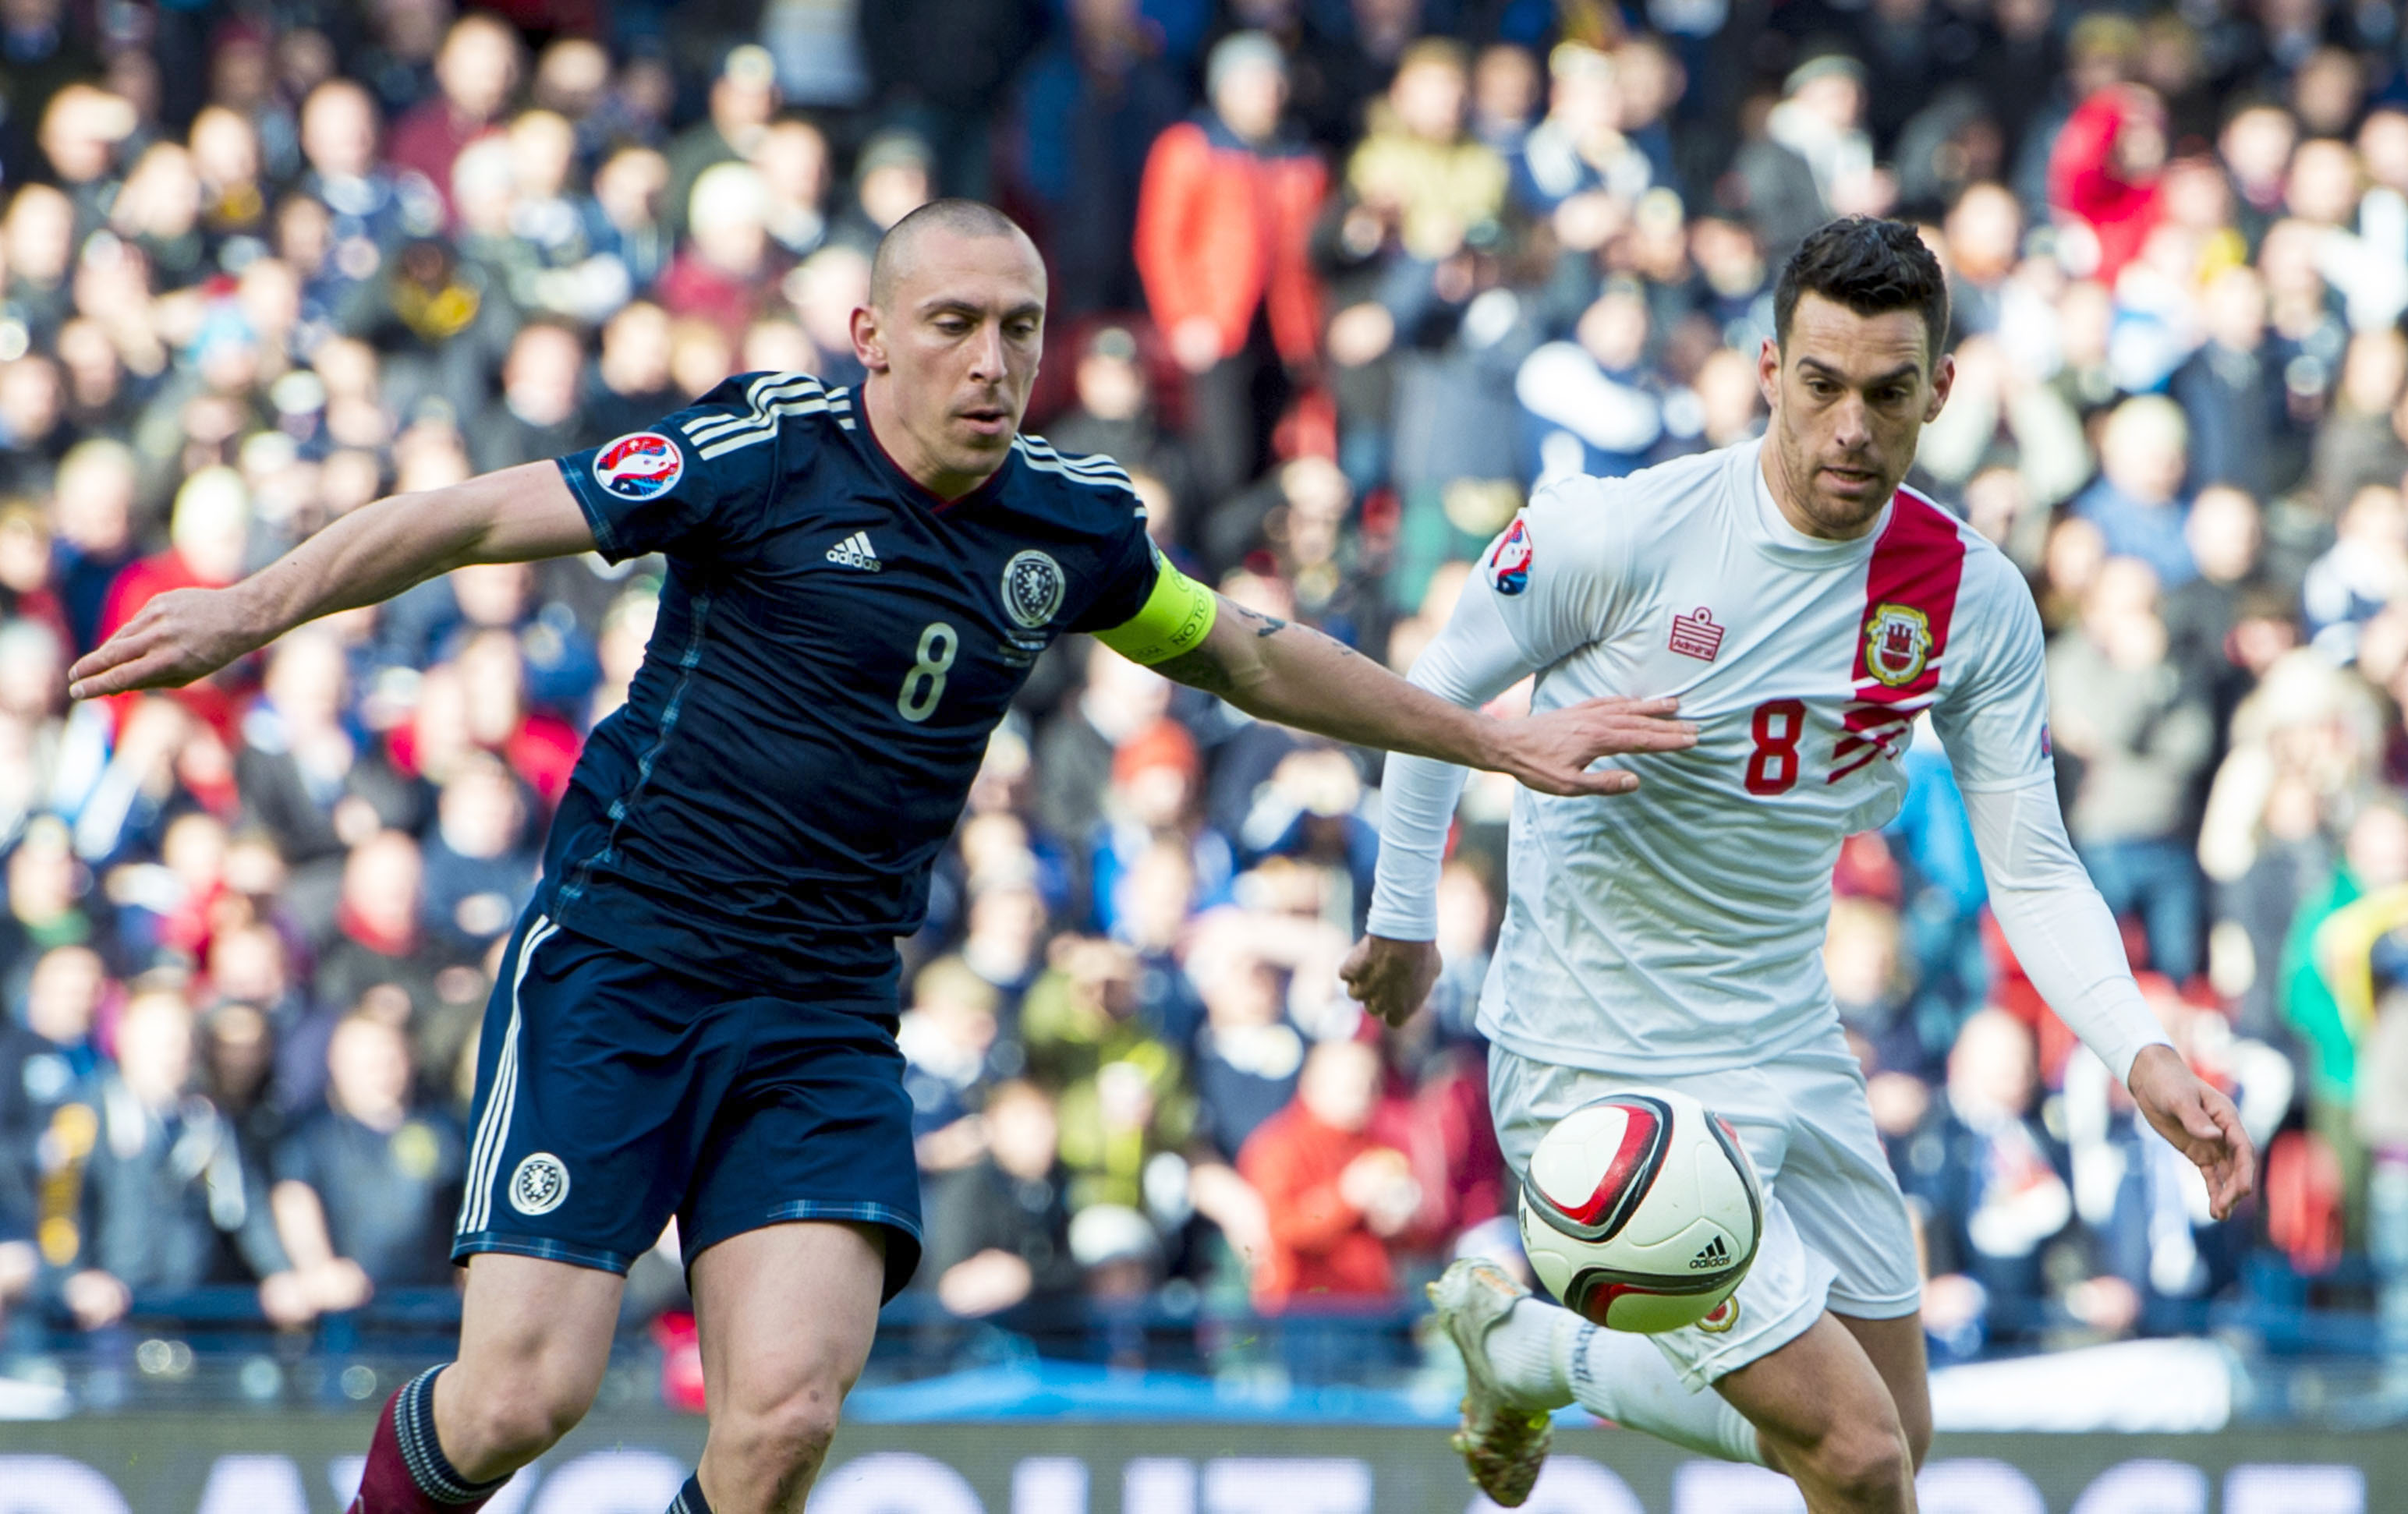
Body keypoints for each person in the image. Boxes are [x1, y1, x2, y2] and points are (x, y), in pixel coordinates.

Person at [67, 199, 1694, 1514]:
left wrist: (1491, 741)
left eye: (1019, 330)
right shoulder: (757, 459)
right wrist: (255, 604)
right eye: (953, 325)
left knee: (779, 1421)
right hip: (622, 968)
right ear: (869, 338)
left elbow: (1251, 654)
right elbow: (486, 515)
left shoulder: (1070, 530)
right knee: (521, 1396)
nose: (992, 362)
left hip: (823, 1017)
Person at [1342, 217, 2258, 1513]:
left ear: (1940, 390)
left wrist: (2141, 1048)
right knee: (1860, 1454)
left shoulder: (1965, 595)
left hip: (1786, 1038)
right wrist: (1405, 913)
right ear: (1769, 369)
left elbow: (2033, 863)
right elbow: (1430, 690)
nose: (1850, 429)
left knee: (1898, 1438)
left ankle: (1529, 1347)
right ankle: (1533, 1343)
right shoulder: (1625, 533)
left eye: (1890, 394)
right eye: (1821, 385)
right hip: (1596, 1062)